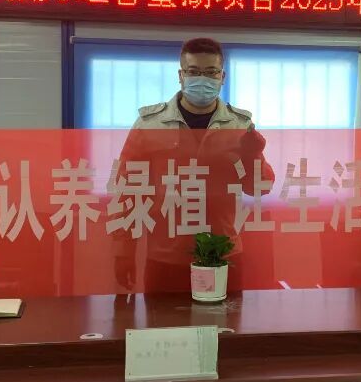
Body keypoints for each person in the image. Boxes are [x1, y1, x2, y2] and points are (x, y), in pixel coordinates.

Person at [113, 37, 273, 293]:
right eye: (194, 71)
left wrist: (252, 154)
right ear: (181, 75)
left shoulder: (239, 125)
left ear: (222, 77)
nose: (202, 79)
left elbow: (259, 188)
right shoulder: (150, 125)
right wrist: (123, 251)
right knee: (163, 321)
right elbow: (126, 191)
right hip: (166, 257)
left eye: (210, 72)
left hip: (223, 253)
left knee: (227, 320)